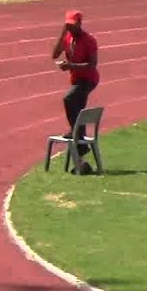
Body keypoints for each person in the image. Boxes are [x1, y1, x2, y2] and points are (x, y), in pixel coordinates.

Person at [51, 9, 99, 174]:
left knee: (69, 99)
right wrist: (62, 33)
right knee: (76, 107)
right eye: (68, 25)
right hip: (76, 80)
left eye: (72, 25)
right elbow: (54, 54)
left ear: (80, 23)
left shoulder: (89, 40)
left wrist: (71, 66)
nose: (70, 28)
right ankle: (80, 156)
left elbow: (92, 65)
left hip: (88, 79)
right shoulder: (67, 37)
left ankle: (78, 137)